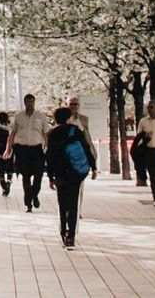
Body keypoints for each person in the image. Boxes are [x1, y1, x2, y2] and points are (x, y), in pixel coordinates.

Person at [46, 105, 97, 249]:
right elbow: (86, 149)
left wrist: (50, 176)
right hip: (76, 172)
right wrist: (93, 167)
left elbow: (49, 156)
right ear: (68, 118)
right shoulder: (76, 131)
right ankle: (71, 236)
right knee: (73, 203)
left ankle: (63, 232)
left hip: (60, 173)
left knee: (62, 203)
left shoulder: (53, 133)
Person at [4, 93, 49, 213]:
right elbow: (12, 134)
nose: (30, 104)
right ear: (24, 103)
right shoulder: (18, 116)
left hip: (36, 149)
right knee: (26, 176)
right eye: (28, 102)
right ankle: (28, 202)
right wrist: (8, 150)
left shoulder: (40, 116)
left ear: (34, 102)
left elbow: (45, 133)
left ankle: (34, 194)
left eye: (32, 102)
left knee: (38, 175)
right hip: (22, 150)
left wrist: (48, 149)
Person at [0, 111, 14, 197]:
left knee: (1, 172)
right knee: (10, 170)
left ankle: (4, 187)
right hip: (9, 153)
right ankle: (8, 182)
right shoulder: (11, 128)